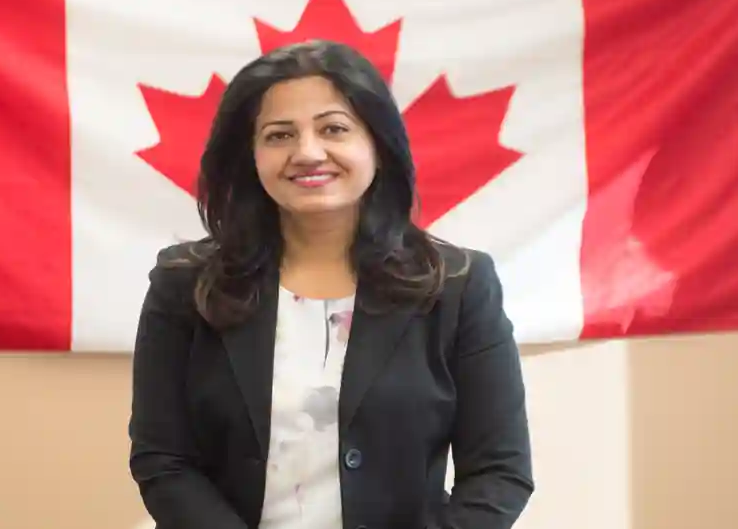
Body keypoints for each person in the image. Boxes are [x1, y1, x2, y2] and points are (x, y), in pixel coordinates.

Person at [127, 39, 533, 529]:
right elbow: (164, 461)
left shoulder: (459, 286)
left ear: (378, 146)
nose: (308, 153)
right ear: (250, 156)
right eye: (279, 136)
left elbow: (499, 473)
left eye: (334, 129)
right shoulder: (185, 285)